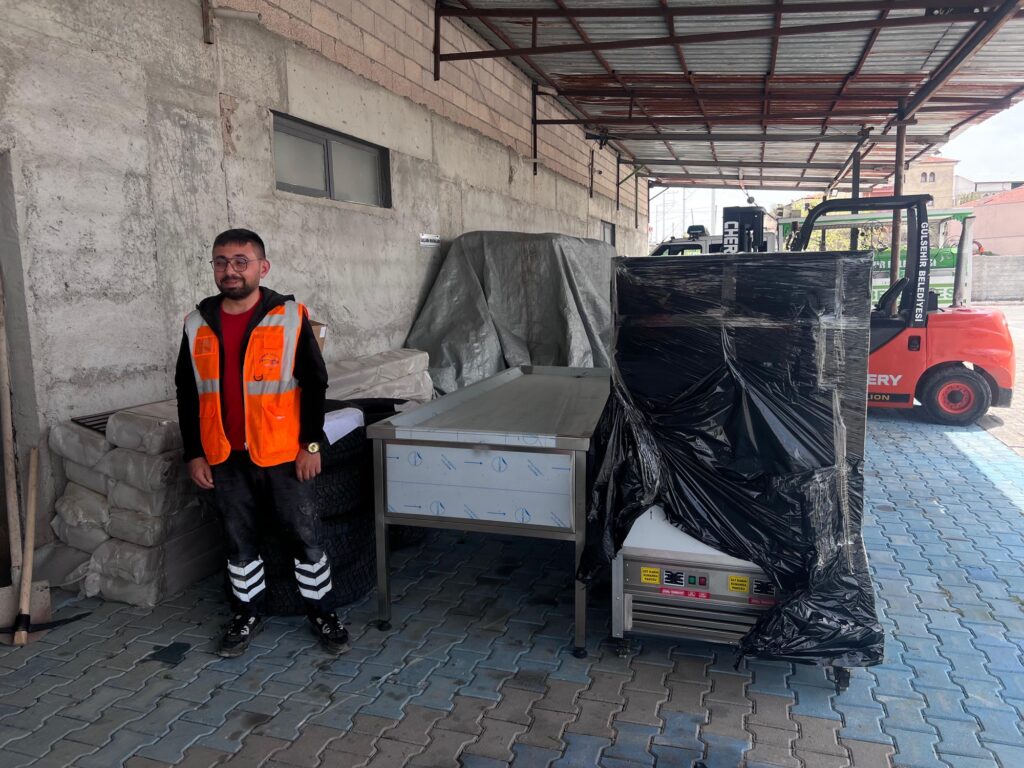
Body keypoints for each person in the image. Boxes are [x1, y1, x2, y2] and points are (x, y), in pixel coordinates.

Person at [175, 228, 347, 657]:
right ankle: (246, 614)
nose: (230, 270)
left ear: (262, 268)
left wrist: (311, 445)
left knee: (306, 538)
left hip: (283, 455)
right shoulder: (196, 323)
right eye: (221, 261)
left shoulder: (289, 316)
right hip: (224, 456)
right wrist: (194, 452)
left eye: (240, 261)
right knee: (238, 542)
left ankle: (322, 613)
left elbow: (315, 384)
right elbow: (187, 393)